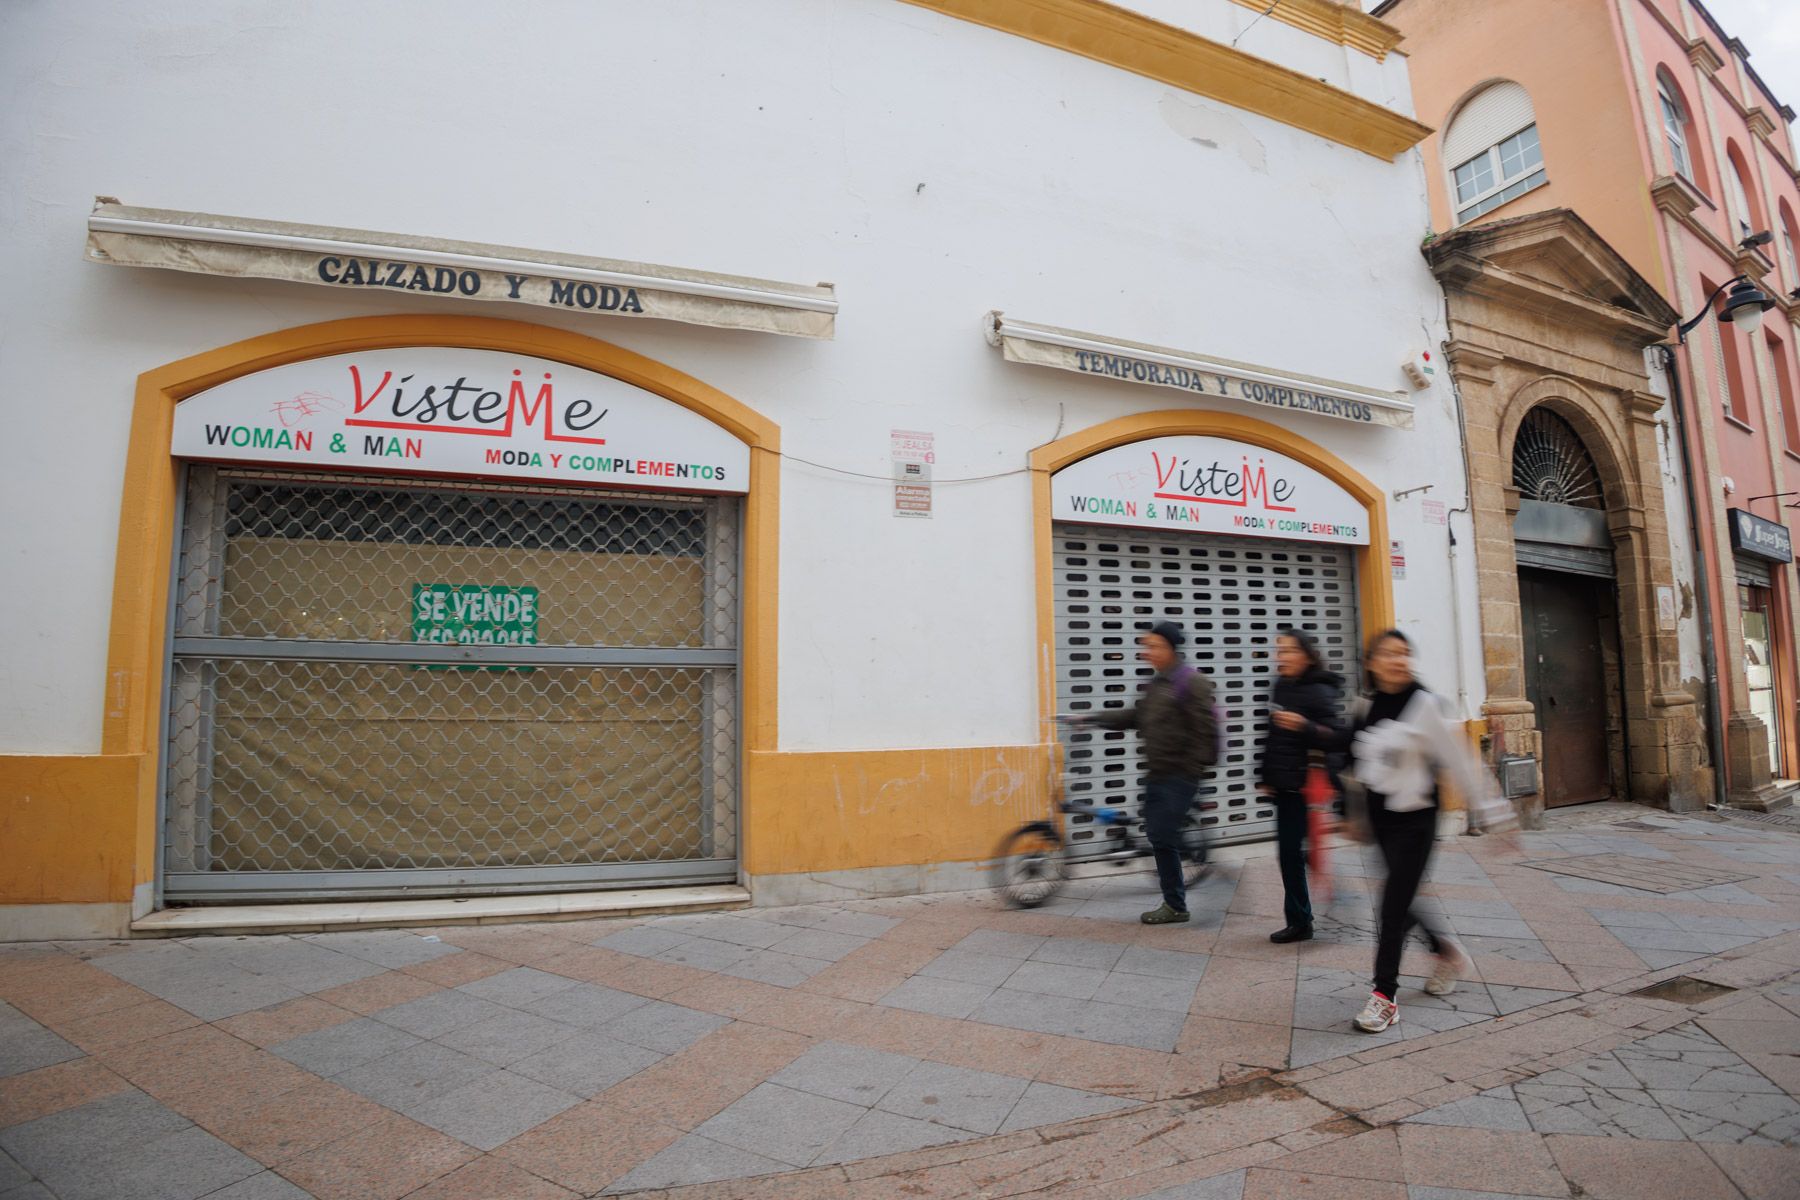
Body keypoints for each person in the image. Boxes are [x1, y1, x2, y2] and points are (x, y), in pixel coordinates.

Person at [1274, 628, 1516, 1033]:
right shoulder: (1366, 704)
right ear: (1372, 662)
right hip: (1381, 819)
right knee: (1402, 902)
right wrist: (1308, 734)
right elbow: (1348, 749)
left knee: (1391, 908)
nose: (1398, 660)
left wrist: (1498, 815)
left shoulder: (1426, 706)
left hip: (1418, 820)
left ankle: (1384, 996)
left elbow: (1461, 763)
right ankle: (1447, 954)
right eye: (1389, 653)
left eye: (1404, 653)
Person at [1075, 621, 1220, 925]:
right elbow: (1135, 715)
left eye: (1153, 646)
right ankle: (1176, 898)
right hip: (1157, 773)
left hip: (1178, 775)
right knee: (1158, 835)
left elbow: (1208, 734)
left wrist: (1191, 769)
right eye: (1146, 646)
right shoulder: (1158, 684)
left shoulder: (1191, 683)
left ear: (1170, 648)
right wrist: (1092, 718)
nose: (1147, 652)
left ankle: (1176, 905)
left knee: (1163, 836)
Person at [1257, 627, 1343, 945]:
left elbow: (1336, 737)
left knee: (1292, 853)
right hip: (1285, 784)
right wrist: (1265, 774)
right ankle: (1303, 914)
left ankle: (1300, 921)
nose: (1282, 656)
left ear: (1306, 655)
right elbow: (1274, 735)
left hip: (1306, 786)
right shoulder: (1282, 685)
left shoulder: (1319, 692)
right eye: (1279, 650)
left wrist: (1305, 726)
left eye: (1289, 650)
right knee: (1292, 853)